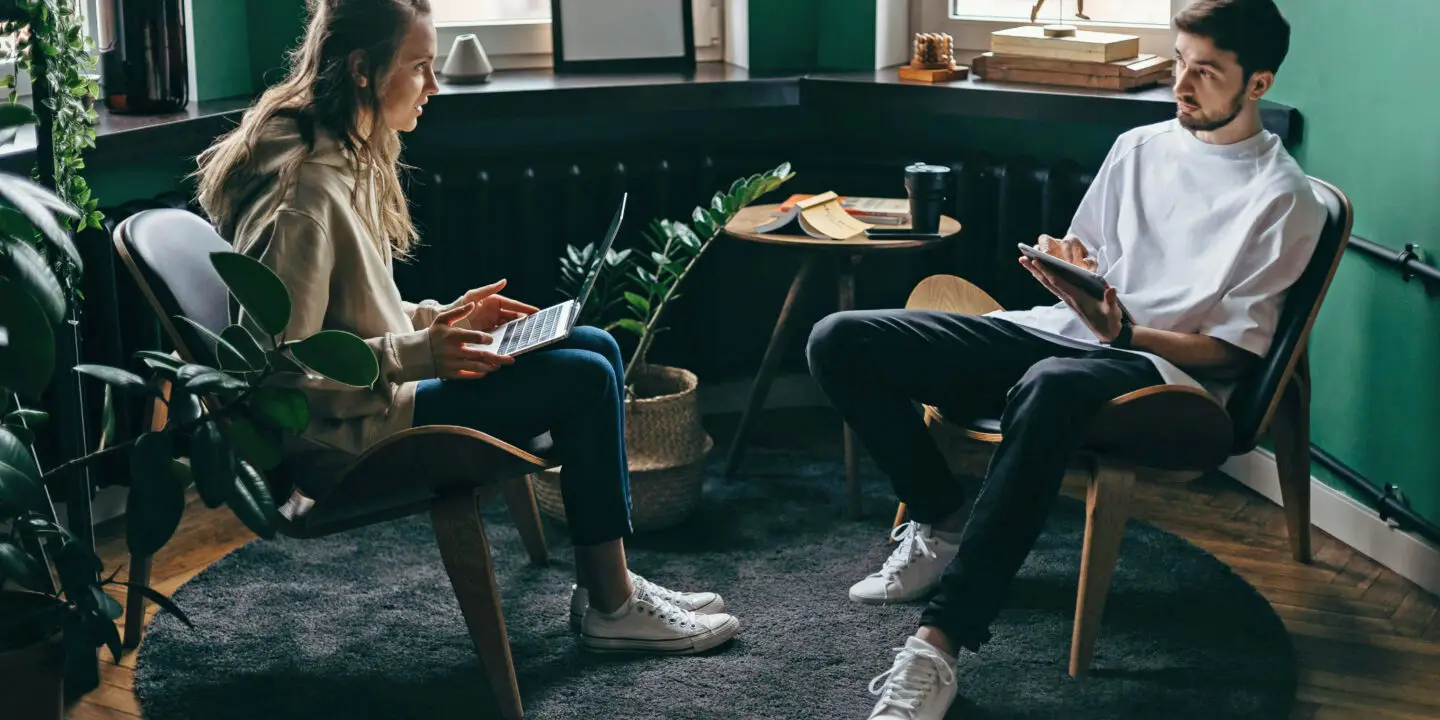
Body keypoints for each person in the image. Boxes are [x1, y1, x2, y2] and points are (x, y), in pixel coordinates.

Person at [805, 0, 1324, 716]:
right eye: (1179, 62)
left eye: (1206, 72)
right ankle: (942, 517)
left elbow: (1231, 357)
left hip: (1163, 374)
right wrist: (1067, 265)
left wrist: (1125, 334)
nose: (1181, 85)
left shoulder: (1284, 198)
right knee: (840, 339)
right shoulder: (1139, 147)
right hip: (1068, 332)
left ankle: (939, 645)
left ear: (1258, 84)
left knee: (1047, 386)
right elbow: (1093, 253)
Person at [193, 0, 739, 656]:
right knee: (585, 377)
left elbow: (351, 313)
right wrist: (421, 354)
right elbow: (279, 375)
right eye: (419, 66)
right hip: (344, 439)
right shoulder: (304, 197)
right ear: (363, 70)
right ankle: (613, 605)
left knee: (592, 345)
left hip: (380, 402)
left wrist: (442, 320)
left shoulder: (340, 155)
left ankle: (607, 583)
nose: (434, 84)